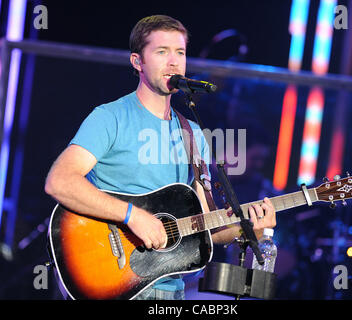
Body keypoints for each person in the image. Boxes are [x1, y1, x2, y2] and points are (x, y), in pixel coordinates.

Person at [44, 14, 276, 300]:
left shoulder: (193, 134)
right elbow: (59, 182)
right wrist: (132, 216)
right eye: (161, 51)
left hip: (169, 291)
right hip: (110, 283)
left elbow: (207, 226)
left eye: (180, 52)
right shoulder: (109, 118)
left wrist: (247, 227)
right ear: (137, 62)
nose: (174, 62)